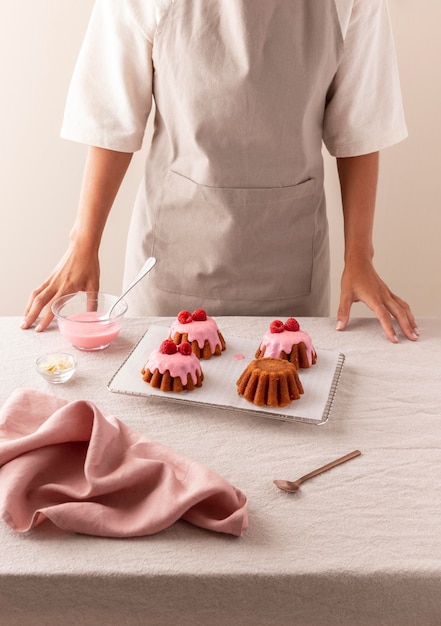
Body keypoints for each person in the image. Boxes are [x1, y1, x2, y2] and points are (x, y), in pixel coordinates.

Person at [22, 0, 418, 343]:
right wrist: (83, 243)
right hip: (171, 271)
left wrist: (360, 256)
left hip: (289, 270)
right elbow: (112, 116)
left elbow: (361, 127)